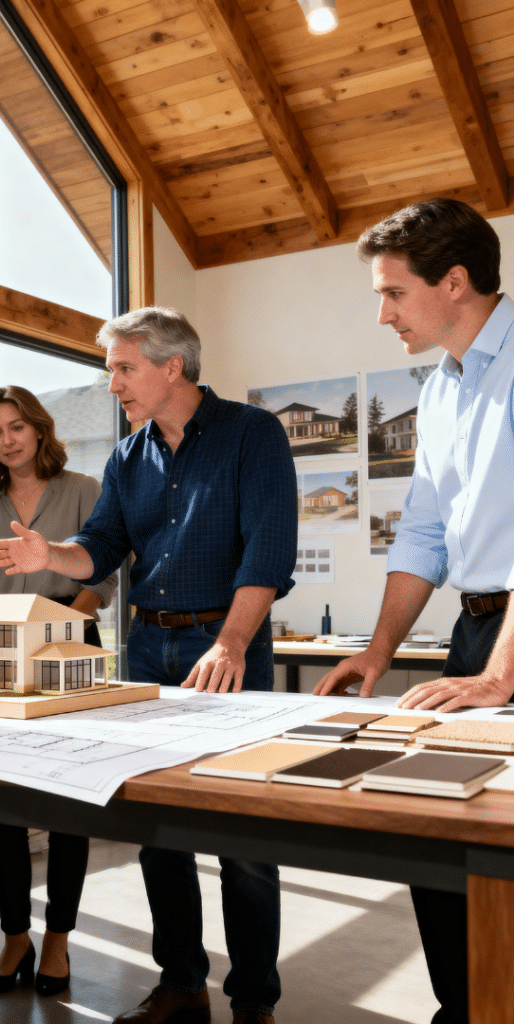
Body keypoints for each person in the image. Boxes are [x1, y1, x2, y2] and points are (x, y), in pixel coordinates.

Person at [0, 307, 297, 1024]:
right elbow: (101, 546)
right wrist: (49, 556)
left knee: (243, 833)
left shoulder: (252, 436)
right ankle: (181, 986)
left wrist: (234, 641)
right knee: (157, 824)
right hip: (148, 649)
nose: (113, 383)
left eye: (123, 368)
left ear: (171, 367)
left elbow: (269, 548)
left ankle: (253, 1002)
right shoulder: (127, 457)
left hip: (226, 641)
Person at [314, 198, 510, 1024]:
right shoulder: (438, 393)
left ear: (455, 281)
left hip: (506, 650)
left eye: (392, 292)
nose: (384, 313)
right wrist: (378, 648)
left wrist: (502, 674)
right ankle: (463, 1008)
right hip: (474, 633)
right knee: (430, 827)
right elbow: (424, 533)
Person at [0, 385, 118, 998]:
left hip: (70, 645)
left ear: (40, 428)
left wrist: (68, 620)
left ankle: (58, 939)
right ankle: (15, 936)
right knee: (3, 803)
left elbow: (104, 569)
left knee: (67, 801)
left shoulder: (83, 490)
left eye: (17, 426)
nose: (8, 439)